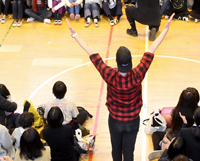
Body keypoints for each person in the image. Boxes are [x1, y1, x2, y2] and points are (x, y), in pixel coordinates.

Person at [68, 16, 173, 161]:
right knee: (129, 153)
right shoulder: (138, 73)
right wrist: (165, 30)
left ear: (116, 61)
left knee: (116, 150)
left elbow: (91, 53)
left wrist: (75, 34)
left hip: (115, 120)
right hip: (132, 121)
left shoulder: (109, 74)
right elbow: (151, 49)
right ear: (130, 61)